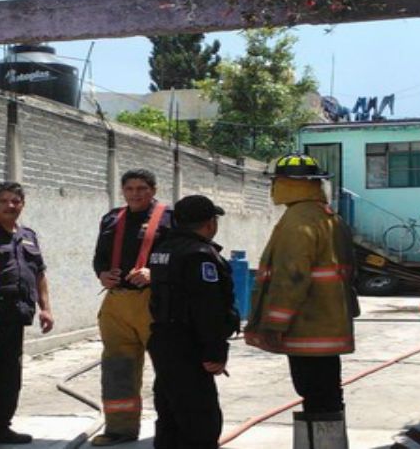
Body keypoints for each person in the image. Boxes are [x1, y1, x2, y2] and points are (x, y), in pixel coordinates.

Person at [244, 153, 360, 449]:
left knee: (315, 392)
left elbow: (291, 277)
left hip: (308, 327)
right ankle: (330, 443)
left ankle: (320, 445)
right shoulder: (329, 216)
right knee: (328, 393)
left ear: (286, 184)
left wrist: (273, 323)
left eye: (276, 182)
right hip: (329, 324)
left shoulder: (298, 221)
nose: (273, 189)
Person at [147, 195, 240, 449]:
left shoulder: (162, 250)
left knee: (170, 416)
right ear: (210, 223)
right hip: (188, 344)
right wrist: (215, 351)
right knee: (200, 421)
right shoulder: (199, 255)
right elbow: (206, 308)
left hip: (164, 339)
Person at [91, 169, 173, 446]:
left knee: (168, 367)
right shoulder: (112, 219)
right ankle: (120, 429)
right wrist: (102, 274)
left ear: (153, 190)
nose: (135, 194)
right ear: (123, 191)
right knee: (117, 368)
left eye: (142, 188)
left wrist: (155, 272)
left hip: (154, 301)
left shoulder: (171, 219)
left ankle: (172, 428)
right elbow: (99, 257)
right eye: (130, 189)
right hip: (117, 302)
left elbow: (181, 258)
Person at [0, 182, 54, 445]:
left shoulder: (28, 234)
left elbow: (40, 273)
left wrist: (46, 308)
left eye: (16, 201)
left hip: (16, 317)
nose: (11, 206)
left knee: (8, 377)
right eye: (4, 201)